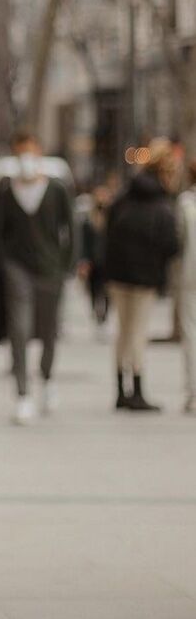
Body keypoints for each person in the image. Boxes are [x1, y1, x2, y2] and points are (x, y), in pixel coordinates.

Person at [0, 131, 75, 424]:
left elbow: (70, 228)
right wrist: (1, 265)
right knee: (20, 329)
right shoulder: (4, 192)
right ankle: (23, 393)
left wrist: (68, 265)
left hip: (51, 270)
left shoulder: (57, 190)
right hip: (17, 269)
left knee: (49, 330)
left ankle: (48, 379)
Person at [105, 138, 179, 412]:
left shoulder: (126, 194)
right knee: (137, 331)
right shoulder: (161, 201)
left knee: (122, 331)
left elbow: (109, 229)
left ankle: (119, 389)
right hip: (144, 275)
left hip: (118, 273)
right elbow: (171, 243)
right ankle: (136, 388)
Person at [78, 185, 112, 327]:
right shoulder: (88, 221)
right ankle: (95, 311)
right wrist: (83, 261)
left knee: (106, 290)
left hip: (107, 260)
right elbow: (84, 242)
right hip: (93, 261)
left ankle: (104, 314)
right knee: (93, 288)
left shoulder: (110, 219)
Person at [177, 158, 196, 413]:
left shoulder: (186, 203)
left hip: (190, 276)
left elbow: (177, 239)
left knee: (191, 333)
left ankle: (194, 390)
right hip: (189, 277)